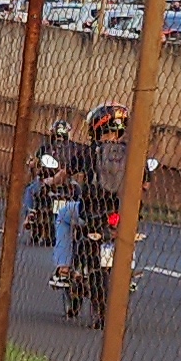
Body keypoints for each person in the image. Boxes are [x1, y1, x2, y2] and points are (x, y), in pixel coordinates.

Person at [53, 103, 132, 282]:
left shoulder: (88, 152)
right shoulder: (132, 154)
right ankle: (127, 271)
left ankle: (64, 265)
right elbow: (145, 185)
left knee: (63, 215)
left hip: (91, 210)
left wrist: (50, 181)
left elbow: (64, 174)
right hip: (122, 212)